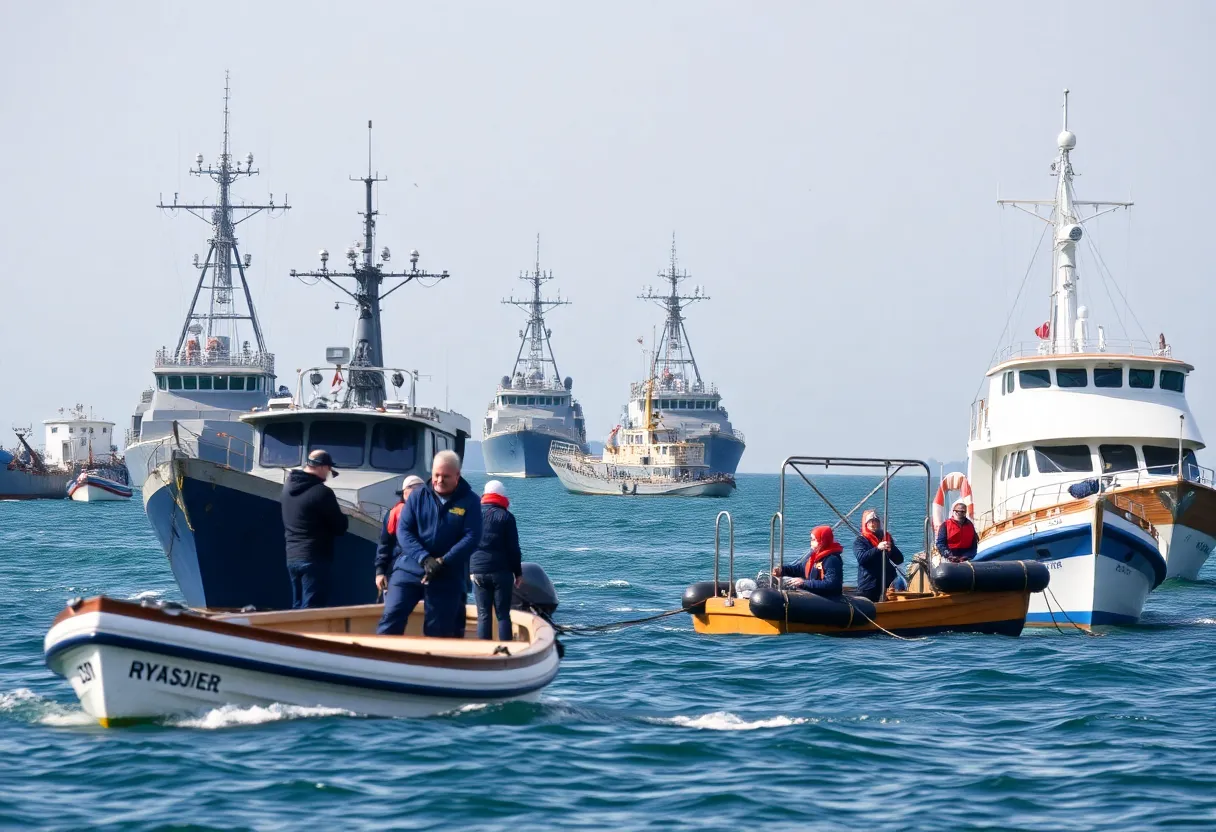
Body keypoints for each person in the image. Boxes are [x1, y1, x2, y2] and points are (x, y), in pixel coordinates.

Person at [377, 450, 482, 637]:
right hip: (409, 568)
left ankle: (433, 662)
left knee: (439, 630)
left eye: (446, 476)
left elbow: (472, 537)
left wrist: (443, 561)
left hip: (446, 574)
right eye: (436, 475)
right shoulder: (417, 497)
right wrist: (424, 559)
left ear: (457, 476)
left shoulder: (471, 501)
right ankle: (380, 660)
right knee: (391, 615)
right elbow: (404, 531)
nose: (440, 480)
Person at [281, 449, 348, 609]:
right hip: (314, 558)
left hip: (292, 556)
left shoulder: (287, 489)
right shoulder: (322, 493)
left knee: (297, 608)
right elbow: (340, 527)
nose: (328, 475)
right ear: (323, 467)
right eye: (329, 470)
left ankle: (292, 634)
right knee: (312, 610)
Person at [470, 480, 524, 641]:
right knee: (502, 615)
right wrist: (518, 573)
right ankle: (504, 651)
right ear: (502, 495)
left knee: (483, 614)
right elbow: (513, 549)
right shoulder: (506, 517)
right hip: (501, 572)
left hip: (477, 571)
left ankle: (483, 653)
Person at [374, 475, 425, 596]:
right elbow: (384, 544)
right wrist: (380, 572)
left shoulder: (430, 513)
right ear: (405, 492)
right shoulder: (394, 514)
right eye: (414, 488)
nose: (418, 492)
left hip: (424, 574)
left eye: (422, 489)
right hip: (396, 572)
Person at [773, 525, 843, 598]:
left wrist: (804, 583)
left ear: (822, 541)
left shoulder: (832, 559)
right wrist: (783, 570)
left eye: (813, 540)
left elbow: (831, 583)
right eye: (811, 539)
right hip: (815, 594)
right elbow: (800, 569)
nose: (811, 543)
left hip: (828, 598)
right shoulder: (814, 555)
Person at [853, 508, 903, 602]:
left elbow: (899, 560)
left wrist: (891, 547)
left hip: (888, 583)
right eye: (870, 522)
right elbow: (861, 558)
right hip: (869, 585)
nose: (873, 524)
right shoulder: (860, 541)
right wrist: (877, 549)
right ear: (866, 524)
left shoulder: (886, 538)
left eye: (875, 521)